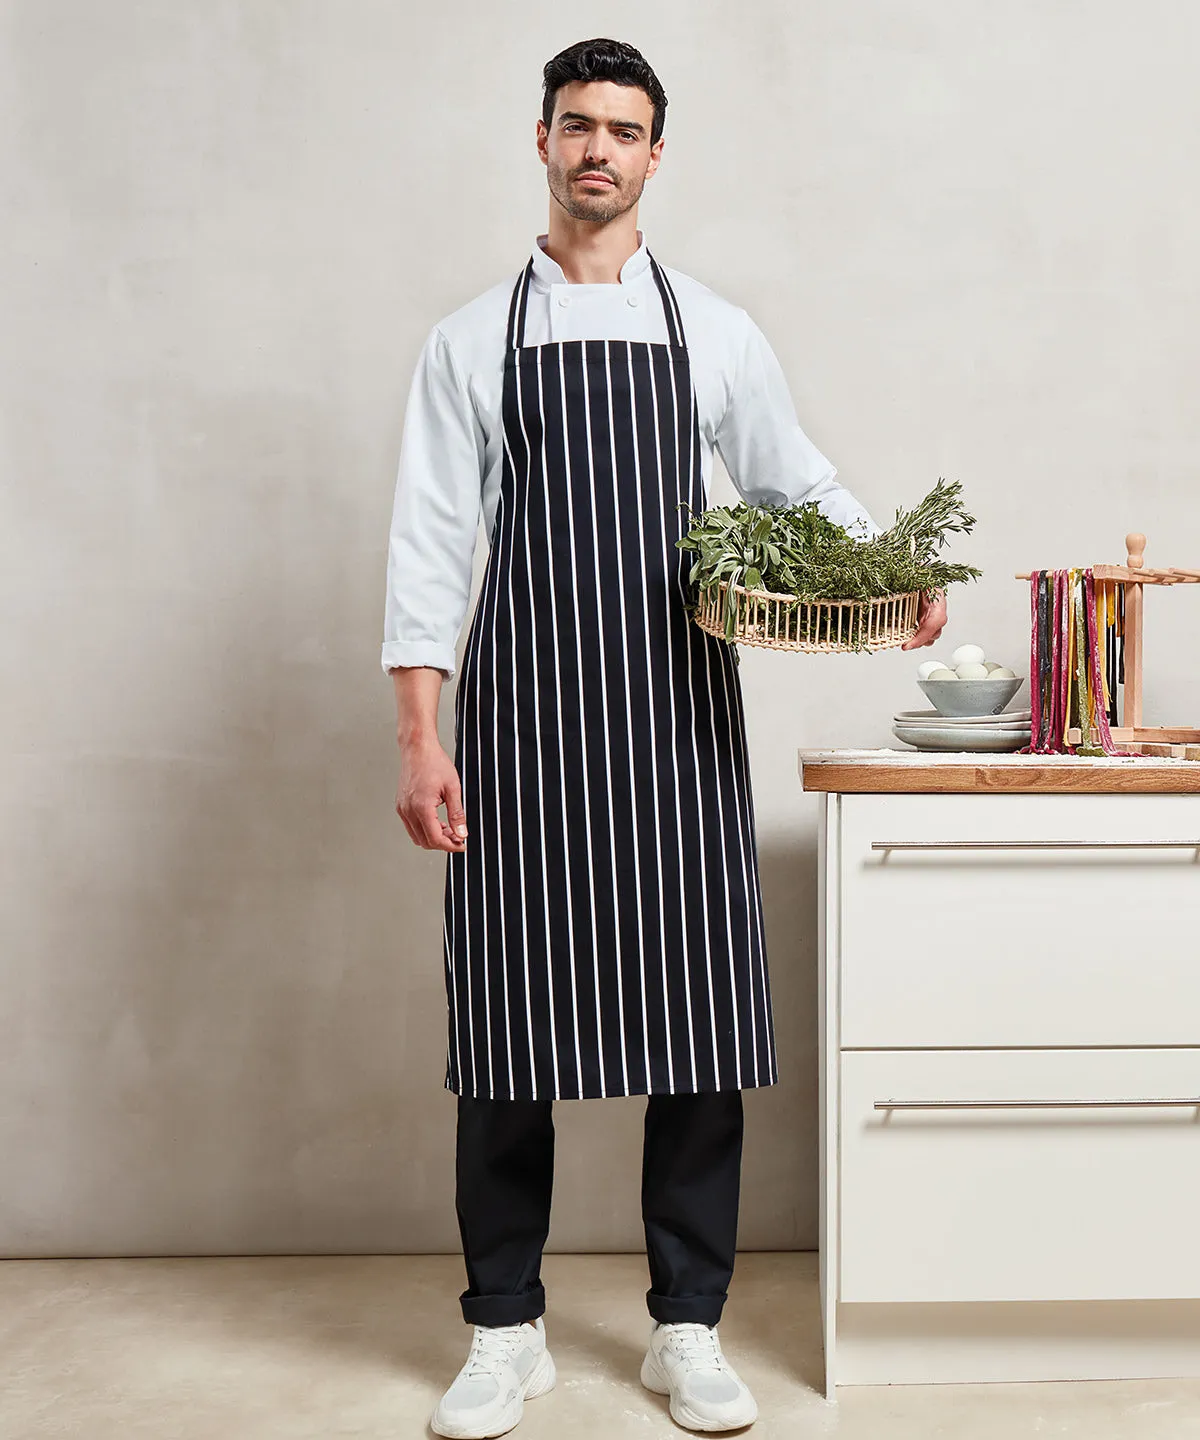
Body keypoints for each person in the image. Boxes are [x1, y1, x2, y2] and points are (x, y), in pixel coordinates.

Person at [382, 36, 947, 1438]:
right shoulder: (469, 340)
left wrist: (896, 568)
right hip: (517, 727)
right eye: (577, 126)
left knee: (695, 1022)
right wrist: (419, 736)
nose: (598, 151)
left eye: (624, 132)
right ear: (541, 141)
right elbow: (432, 544)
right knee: (508, 1027)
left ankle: (686, 1326)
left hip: (674, 724)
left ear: (653, 155)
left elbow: (795, 480)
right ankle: (502, 1330)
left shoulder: (713, 330)